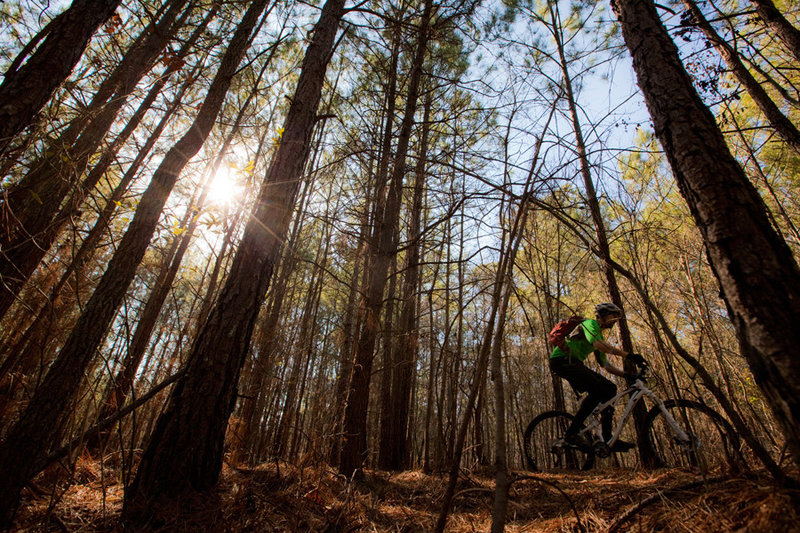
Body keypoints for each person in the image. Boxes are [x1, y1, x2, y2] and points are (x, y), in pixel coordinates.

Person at [549, 302, 644, 451]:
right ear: (604, 314)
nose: (616, 319)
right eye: (614, 315)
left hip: (572, 363)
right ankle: (572, 433)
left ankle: (608, 439)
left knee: (610, 388)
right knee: (600, 390)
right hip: (562, 361)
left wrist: (627, 375)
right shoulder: (590, 323)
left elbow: (605, 366)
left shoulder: (598, 334)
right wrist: (629, 356)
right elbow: (599, 345)